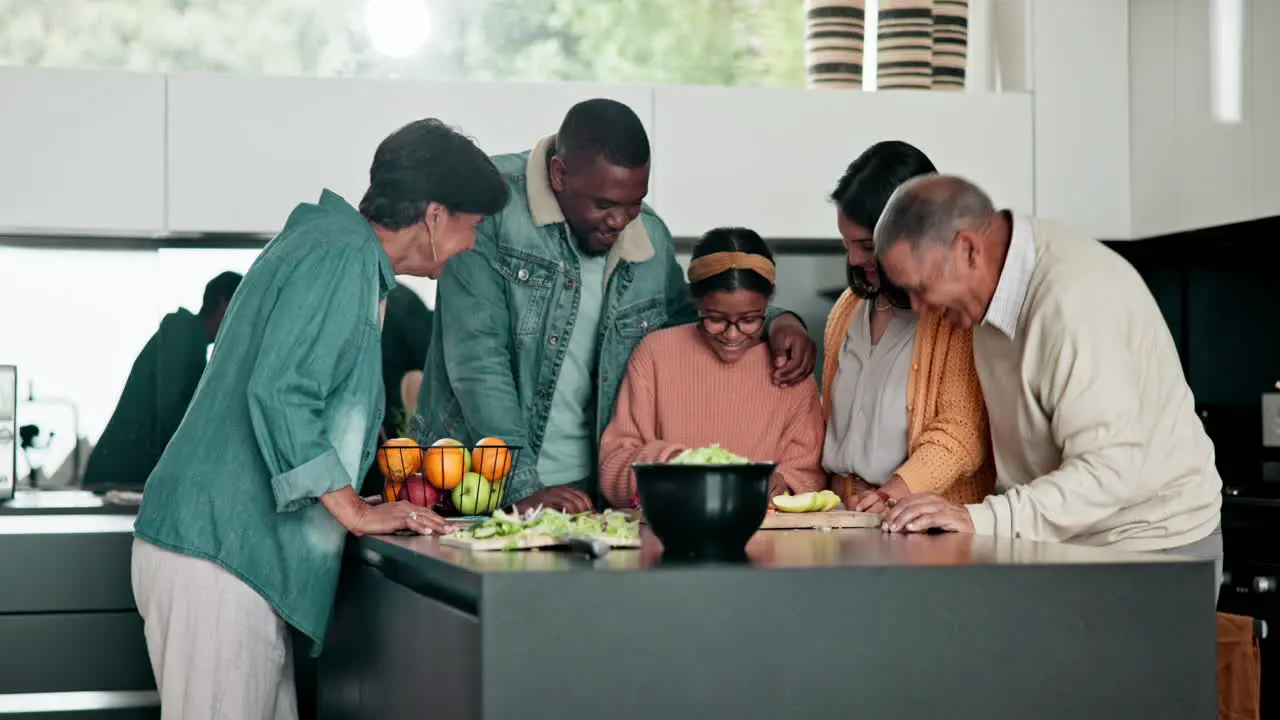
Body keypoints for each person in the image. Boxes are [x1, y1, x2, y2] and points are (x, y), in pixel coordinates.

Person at [130, 118, 509, 720]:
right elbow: (283, 394)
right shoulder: (340, 256)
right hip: (220, 555)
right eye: (475, 227)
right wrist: (356, 511)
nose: (474, 245)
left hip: (230, 557)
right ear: (435, 216)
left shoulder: (336, 248)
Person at [411, 98, 817, 513]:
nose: (621, 220)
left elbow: (693, 322)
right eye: (603, 205)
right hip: (475, 484)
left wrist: (777, 319)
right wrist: (521, 486)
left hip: (588, 498)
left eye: (634, 202)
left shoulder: (650, 239)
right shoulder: (488, 205)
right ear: (559, 174)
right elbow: (478, 361)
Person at [871, 174, 1223, 589]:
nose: (918, 307)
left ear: (967, 249)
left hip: (1151, 544)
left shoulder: (1073, 300)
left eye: (920, 287)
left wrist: (978, 517)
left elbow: (1110, 472)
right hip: (1073, 541)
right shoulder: (989, 290)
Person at [821, 142, 993, 514]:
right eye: (847, 245)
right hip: (844, 517)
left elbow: (962, 432)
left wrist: (893, 493)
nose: (854, 259)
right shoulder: (845, 311)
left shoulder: (955, 316)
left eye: (867, 246)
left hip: (923, 522)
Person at [599, 227, 826, 508]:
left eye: (750, 319)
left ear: (769, 303)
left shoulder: (791, 364)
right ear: (695, 301)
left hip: (767, 539)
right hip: (669, 534)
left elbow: (809, 474)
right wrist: (672, 466)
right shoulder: (655, 354)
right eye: (715, 319)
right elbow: (614, 463)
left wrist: (784, 484)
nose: (732, 334)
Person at [81, 271, 241, 489]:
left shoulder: (190, 340)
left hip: (123, 475)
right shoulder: (181, 332)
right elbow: (171, 411)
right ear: (226, 303)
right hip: (117, 476)